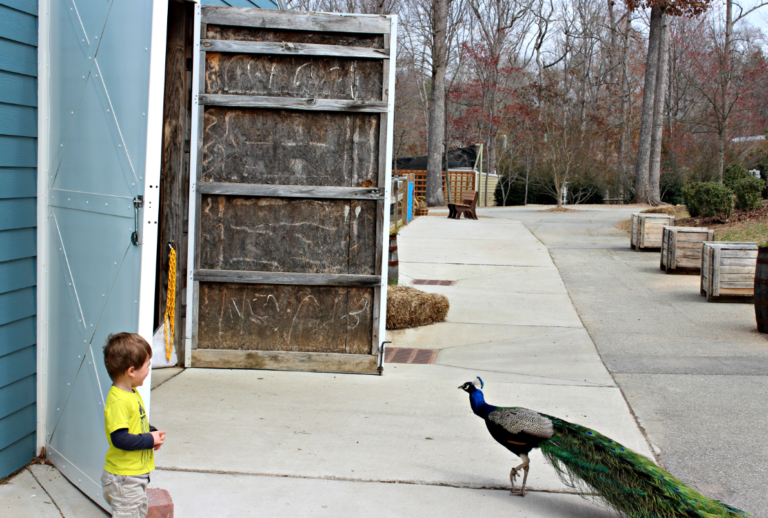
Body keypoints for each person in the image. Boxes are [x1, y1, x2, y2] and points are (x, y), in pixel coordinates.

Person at [101, 332, 166, 518]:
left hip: (132, 477)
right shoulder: (119, 401)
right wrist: (147, 439)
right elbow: (120, 439)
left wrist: (151, 433)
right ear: (131, 371)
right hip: (124, 479)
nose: (149, 370)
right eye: (147, 366)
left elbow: (136, 423)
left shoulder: (131, 393)